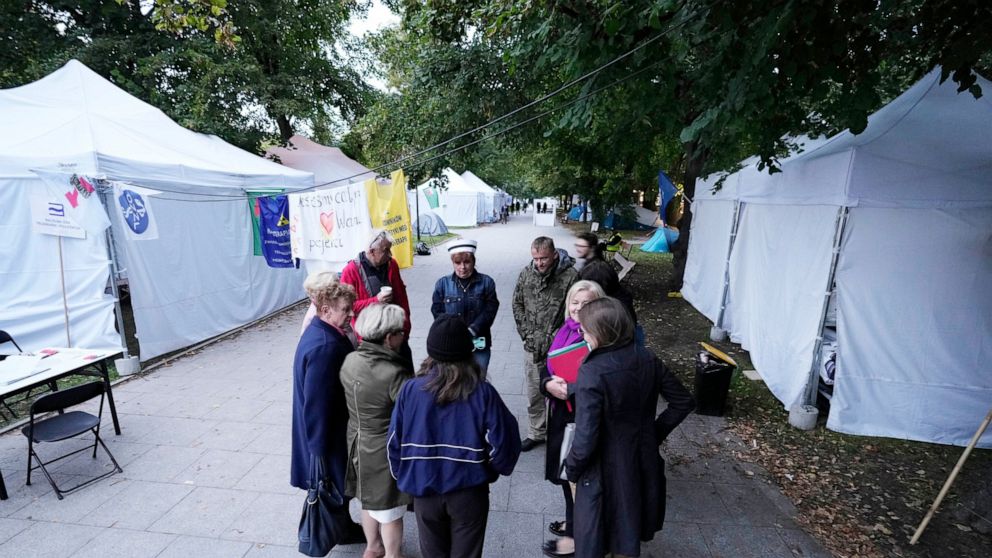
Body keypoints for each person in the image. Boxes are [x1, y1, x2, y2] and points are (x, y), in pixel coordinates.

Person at [564, 298, 695, 558]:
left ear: (601, 332)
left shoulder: (592, 371)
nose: (582, 333)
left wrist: (572, 468)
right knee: (628, 531)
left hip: (602, 468)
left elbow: (586, 436)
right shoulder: (647, 357)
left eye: (585, 329)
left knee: (595, 536)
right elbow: (683, 401)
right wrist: (653, 434)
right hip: (641, 460)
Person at [388, 314, 522, 558]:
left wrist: (405, 475)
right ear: (467, 351)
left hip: (424, 492)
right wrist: (490, 471)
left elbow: (393, 442)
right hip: (469, 491)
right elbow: (505, 441)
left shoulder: (410, 389)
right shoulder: (483, 391)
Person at [290, 274, 365, 544]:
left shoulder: (322, 332)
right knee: (333, 483)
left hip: (327, 431)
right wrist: (318, 453)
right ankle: (335, 532)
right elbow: (318, 405)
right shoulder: (325, 346)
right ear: (325, 310)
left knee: (338, 485)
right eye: (345, 309)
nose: (350, 314)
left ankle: (342, 528)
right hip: (328, 435)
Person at [340, 304, 413, 558]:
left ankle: (372, 547)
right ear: (388, 337)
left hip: (357, 442)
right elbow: (410, 414)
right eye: (400, 332)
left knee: (367, 500)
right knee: (390, 510)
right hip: (383, 448)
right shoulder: (394, 373)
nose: (404, 336)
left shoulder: (350, 360)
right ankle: (393, 554)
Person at [540, 280, 605, 558]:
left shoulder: (598, 337)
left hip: (580, 419)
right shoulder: (565, 331)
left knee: (575, 477)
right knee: (567, 478)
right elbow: (549, 364)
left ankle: (575, 537)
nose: (578, 309)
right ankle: (574, 522)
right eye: (574, 302)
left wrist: (570, 390)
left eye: (586, 303)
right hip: (561, 414)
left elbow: (602, 382)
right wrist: (547, 385)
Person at [512, 237, 578, 451]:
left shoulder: (570, 277)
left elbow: (574, 311)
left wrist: (561, 337)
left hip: (559, 348)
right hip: (532, 346)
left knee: (559, 392)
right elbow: (517, 303)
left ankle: (559, 432)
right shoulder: (526, 273)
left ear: (555, 255)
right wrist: (526, 334)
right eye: (536, 258)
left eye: (544, 258)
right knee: (534, 392)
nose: (539, 263)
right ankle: (536, 432)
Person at [341, 229, 413, 369]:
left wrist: (405, 329)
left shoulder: (391, 265)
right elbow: (346, 307)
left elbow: (402, 299)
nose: (390, 254)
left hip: (394, 335)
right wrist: (375, 301)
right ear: (372, 251)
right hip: (369, 341)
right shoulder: (351, 270)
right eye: (386, 250)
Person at [431, 239, 500, 374]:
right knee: (453, 381)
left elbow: (490, 310)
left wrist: (473, 329)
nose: (462, 267)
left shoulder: (486, 282)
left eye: (467, 262)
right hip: (452, 343)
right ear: (452, 262)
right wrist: (453, 330)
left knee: (478, 381)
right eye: (457, 263)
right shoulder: (442, 284)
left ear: (474, 261)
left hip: (479, 343)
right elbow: (437, 311)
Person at [572, 232, 642, 345]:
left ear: (592, 248)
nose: (578, 249)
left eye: (581, 246)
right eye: (577, 246)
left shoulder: (597, 271)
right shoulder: (594, 265)